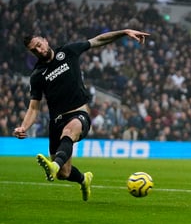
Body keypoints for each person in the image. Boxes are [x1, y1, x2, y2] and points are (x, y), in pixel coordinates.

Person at [13, 29, 150, 201]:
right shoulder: (37, 75)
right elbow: (34, 108)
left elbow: (98, 40)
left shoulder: (68, 51)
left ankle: (54, 166)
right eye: (34, 50)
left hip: (79, 114)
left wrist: (124, 32)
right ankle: (84, 179)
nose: (39, 50)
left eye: (39, 45)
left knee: (70, 131)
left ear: (45, 40)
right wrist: (23, 127)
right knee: (65, 173)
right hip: (56, 121)